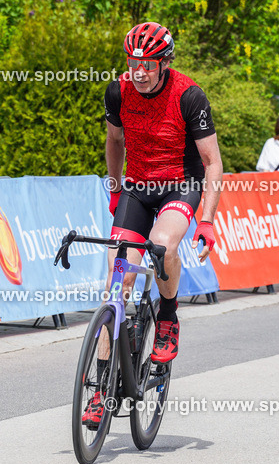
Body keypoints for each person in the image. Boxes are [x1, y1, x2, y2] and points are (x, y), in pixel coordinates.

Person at [88, 21, 222, 428]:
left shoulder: (189, 96)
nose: (138, 71)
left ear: (164, 63)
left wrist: (208, 220)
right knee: (117, 281)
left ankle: (167, 314)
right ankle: (98, 390)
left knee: (163, 244)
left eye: (147, 63)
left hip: (181, 184)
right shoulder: (118, 90)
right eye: (133, 62)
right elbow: (114, 142)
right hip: (138, 187)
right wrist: (115, 189)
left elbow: (213, 163)